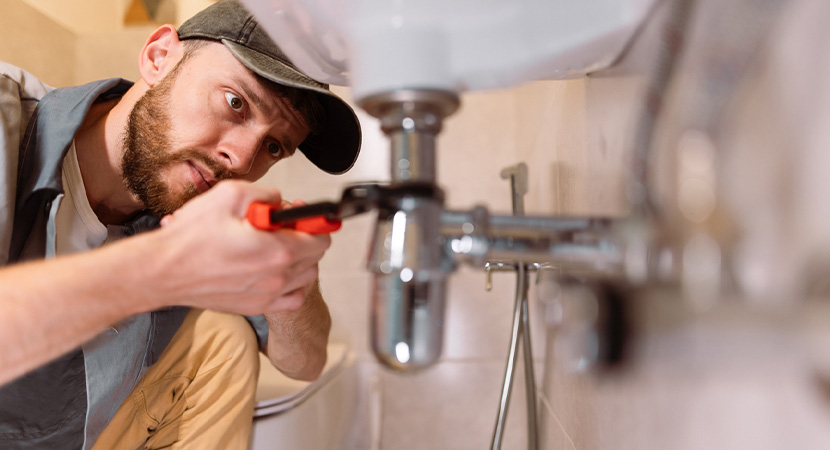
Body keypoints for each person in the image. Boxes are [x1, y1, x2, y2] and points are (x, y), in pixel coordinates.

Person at [0, 0, 361, 448]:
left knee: (223, 337)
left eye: (273, 147)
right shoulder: (6, 122)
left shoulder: (195, 204)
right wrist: (166, 266)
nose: (243, 158)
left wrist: (291, 284)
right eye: (235, 102)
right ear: (159, 57)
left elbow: (304, 362)